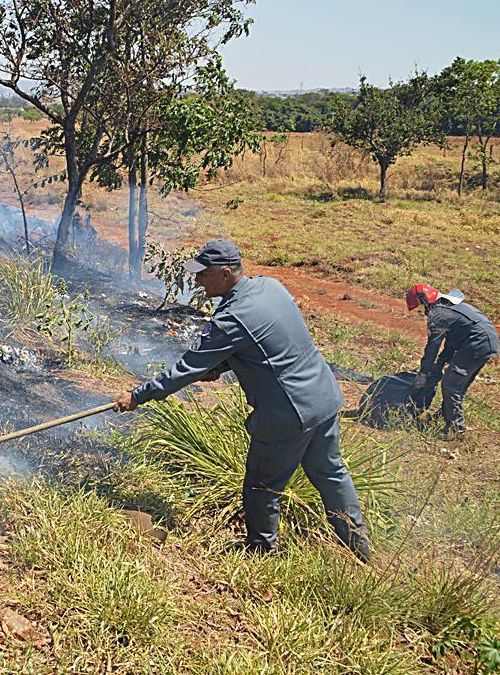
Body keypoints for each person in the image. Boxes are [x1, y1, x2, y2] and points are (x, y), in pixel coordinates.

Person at [115, 239, 369, 561]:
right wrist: (224, 364)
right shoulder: (270, 287)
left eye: (203, 274)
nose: (197, 281)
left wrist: (136, 397)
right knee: (331, 474)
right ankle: (358, 548)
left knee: (262, 487)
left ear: (224, 273)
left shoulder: (231, 318)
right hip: (323, 397)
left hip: (288, 413)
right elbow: (269, 340)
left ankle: (261, 553)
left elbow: (184, 370)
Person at [407, 284, 499, 438]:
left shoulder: (439, 314)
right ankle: (440, 418)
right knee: (458, 386)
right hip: (487, 341)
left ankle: (456, 431)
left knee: (451, 384)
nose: (424, 311)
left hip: (477, 342)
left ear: (425, 300)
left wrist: (423, 373)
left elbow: (432, 347)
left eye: (422, 306)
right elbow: (451, 344)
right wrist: (439, 366)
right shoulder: (450, 308)